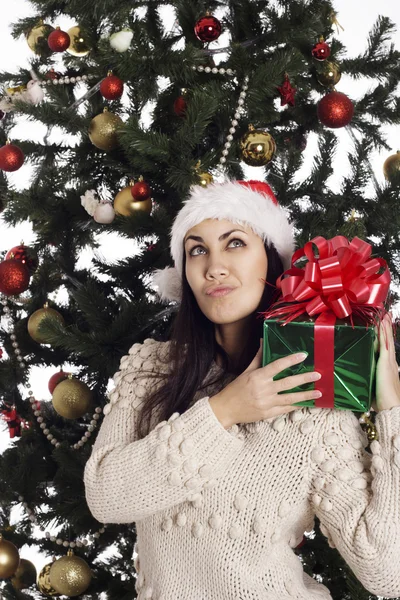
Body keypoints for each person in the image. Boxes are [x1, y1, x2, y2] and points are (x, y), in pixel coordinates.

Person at [84, 179, 400, 600]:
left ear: (270, 260)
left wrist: (392, 409)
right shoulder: (150, 370)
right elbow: (106, 497)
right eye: (197, 249)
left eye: (234, 243)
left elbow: (388, 573)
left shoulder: (309, 400)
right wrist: (224, 411)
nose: (214, 266)